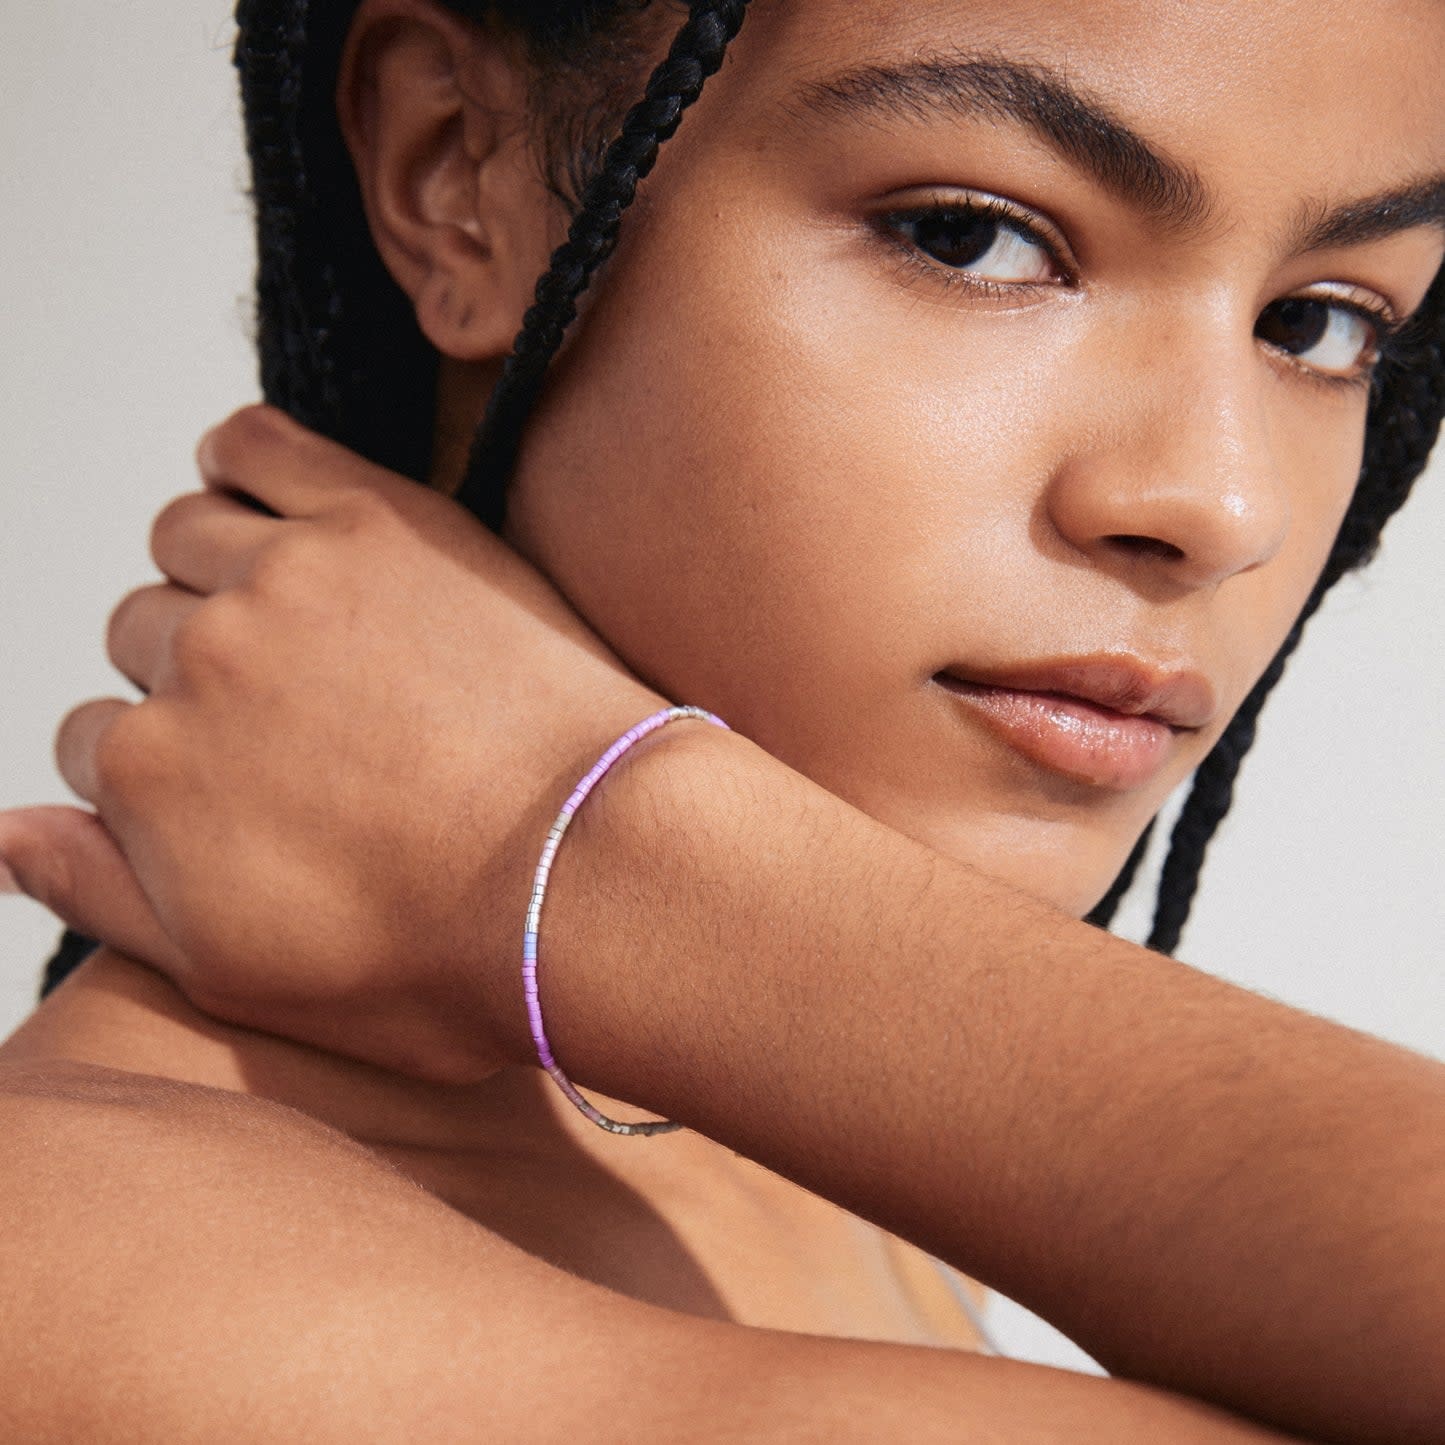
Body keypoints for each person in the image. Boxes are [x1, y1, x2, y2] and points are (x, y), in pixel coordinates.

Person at [0, 0, 1442, 1439]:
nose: (1220, 505)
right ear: (456, 172)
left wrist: (594, 859)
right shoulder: (91, 1274)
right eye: (972, 238)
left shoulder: (835, 1196)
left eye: (1317, 325)